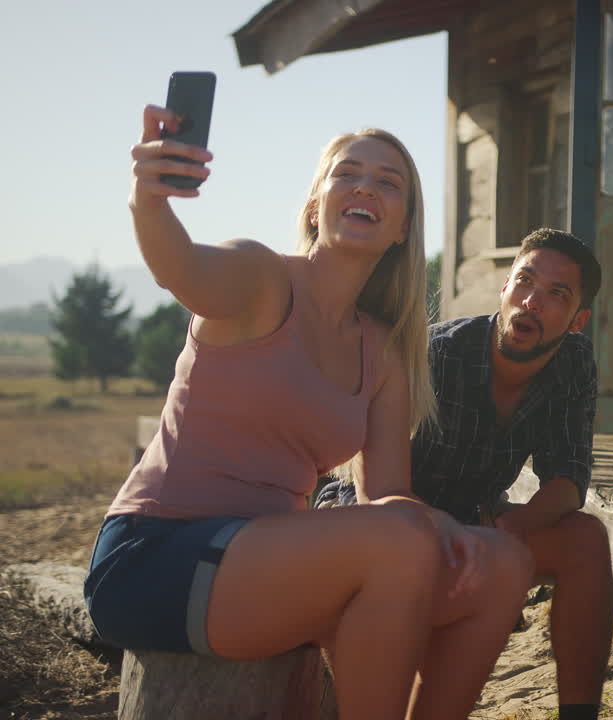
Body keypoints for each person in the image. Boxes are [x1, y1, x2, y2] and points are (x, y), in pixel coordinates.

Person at [83, 106, 534, 720]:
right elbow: (179, 265)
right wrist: (150, 198)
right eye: (347, 173)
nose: (365, 187)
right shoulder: (260, 278)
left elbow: (387, 493)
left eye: (387, 182)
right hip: (155, 556)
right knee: (400, 542)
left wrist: (441, 527)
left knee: (503, 565)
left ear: (403, 226)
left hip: (270, 570)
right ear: (315, 205)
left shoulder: (383, 350)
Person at [318, 227, 613, 720]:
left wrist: (511, 528)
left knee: (584, 539)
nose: (531, 302)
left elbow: (568, 481)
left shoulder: (574, 362)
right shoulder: (437, 354)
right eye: (525, 281)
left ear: (578, 320)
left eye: (557, 294)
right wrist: (455, 537)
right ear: (505, 286)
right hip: (375, 518)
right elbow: (371, 483)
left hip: (470, 522)